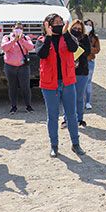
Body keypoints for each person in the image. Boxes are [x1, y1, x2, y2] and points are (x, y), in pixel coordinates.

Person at [36, 13, 84, 158]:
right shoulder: (42, 40)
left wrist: (66, 33)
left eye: (60, 21)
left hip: (68, 82)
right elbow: (42, 54)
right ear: (48, 25)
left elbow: (74, 49)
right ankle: (54, 146)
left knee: (71, 115)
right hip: (50, 84)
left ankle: (75, 144)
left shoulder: (68, 37)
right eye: (55, 22)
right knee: (52, 115)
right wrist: (49, 36)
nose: (59, 24)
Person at [1, 22, 35, 115]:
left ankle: (28, 106)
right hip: (10, 66)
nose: (18, 29)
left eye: (20, 28)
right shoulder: (7, 37)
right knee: (12, 87)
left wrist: (22, 41)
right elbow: (4, 47)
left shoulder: (25, 38)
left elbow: (31, 47)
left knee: (26, 87)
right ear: (12, 28)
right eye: (16, 28)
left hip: (23, 66)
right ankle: (13, 106)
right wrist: (14, 40)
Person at [70, 19, 91, 128]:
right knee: (68, 97)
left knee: (79, 97)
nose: (77, 30)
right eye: (75, 28)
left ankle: (79, 119)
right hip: (68, 72)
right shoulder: (67, 38)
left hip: (82, 71)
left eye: (79, 28)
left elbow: (88, 51)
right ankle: (67, 119)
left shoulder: (85, 38)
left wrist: (77, 50)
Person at [84, 19, 100, 110]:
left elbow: (97, 50)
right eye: (87, 25)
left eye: (90, 25)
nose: (88, 27)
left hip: (90, 61)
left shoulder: (95, 37)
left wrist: (88, 47)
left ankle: (88, 102)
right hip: (80, 61)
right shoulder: (79, 35)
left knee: (88, 82)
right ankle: (80, 101)